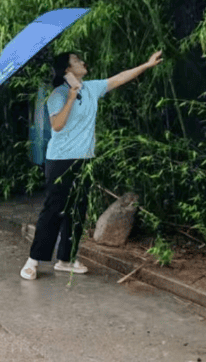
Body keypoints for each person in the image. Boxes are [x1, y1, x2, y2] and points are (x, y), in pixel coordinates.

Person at [20, 49, 163, 280]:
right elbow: (57, 125)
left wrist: (146, 65)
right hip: (60, 160)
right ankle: (33, 260)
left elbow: (119, 78)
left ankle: (66, 259)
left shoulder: (92, 88)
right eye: (76, 61)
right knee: (53, 210)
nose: (82, 62)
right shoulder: (57, 95)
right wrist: (70, 96)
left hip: (84, 159)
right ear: (67, 70)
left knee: (77, 211)